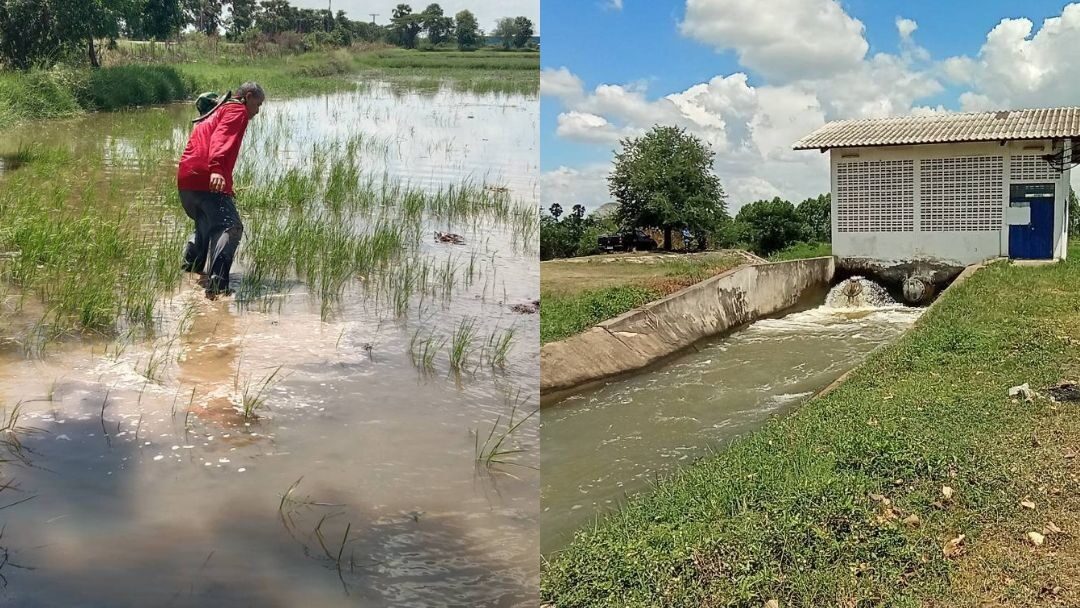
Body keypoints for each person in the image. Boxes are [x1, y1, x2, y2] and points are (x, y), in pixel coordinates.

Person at [177, 82, 265, 297]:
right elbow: (222, 137)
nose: (257, 110)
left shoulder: (213, 114)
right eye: (258, 104)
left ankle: (190, 271)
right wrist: (216, 169)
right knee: (230, 226)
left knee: (205, 223)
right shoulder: (237, 110)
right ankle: (217, 286)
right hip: (206, 178)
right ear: (248, 96)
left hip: (187, 181)